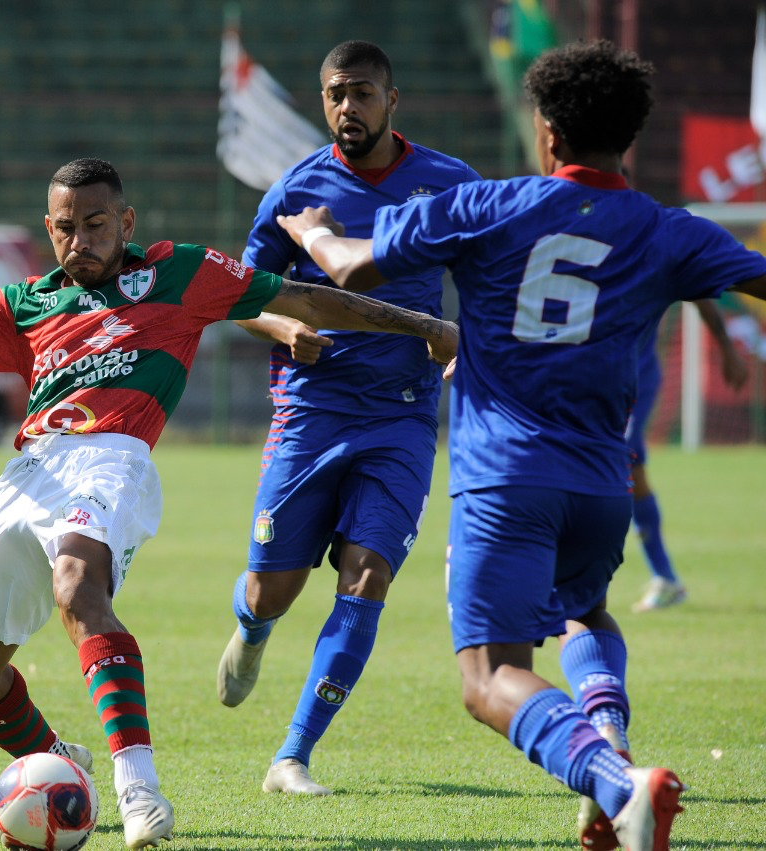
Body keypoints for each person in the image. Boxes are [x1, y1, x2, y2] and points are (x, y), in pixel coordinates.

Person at [0, 158, 457, 850]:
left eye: (97, 224)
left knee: (79, 588)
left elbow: (307, 298)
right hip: (28, 473)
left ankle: (140, 790)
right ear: (50, 229)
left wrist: (422, 325)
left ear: (127, 223)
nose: (81, 240)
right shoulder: (24, 303)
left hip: (113, 458)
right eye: (66, 228)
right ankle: (58, 760)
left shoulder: (179, 274)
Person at [274, 41, 766, 851]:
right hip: (605, 487)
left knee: (486, 677)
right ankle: (608, 736)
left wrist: (316, 231)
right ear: (630, 138)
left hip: (506, 480)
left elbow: (351, 269)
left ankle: (617, 784)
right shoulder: (670, 231)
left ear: (546, 132)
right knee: (584, 609)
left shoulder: (488, 203)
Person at [215, 40, 481, 796]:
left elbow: (490, 275)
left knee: (367, 576)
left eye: (362, 94)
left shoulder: (448, 183)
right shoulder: (296, 190)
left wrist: (473, 345)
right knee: (273, 588)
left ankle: (292, 756)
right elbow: (240, 295)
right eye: (336, 94)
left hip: (402, 419)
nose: (347, 108)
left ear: (392, 101)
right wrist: (282, 329)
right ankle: (253, 629)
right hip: (312, 411)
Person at [628, 300, 747, 612]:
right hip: (582, 379)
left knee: (613, 465)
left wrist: (727, 348)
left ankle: (567, 583)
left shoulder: (649, 250)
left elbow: (699, 286)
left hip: (632, 379)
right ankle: (665, 578)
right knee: (632, 473)